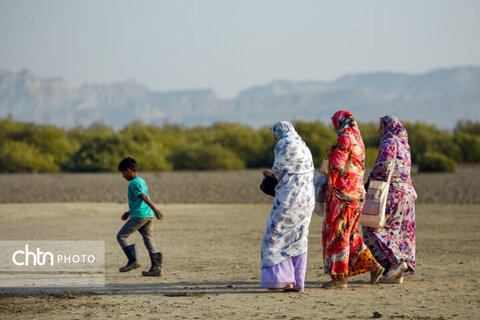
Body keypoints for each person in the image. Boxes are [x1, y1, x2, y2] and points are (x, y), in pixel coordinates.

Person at [322, 110, 384, 289]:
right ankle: (373, 266)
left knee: (339, 233)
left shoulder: (345, 139)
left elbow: (336, 164)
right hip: (356, 194)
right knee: (350, 234)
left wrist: (331, 151)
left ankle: (340, 278)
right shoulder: (358, 138)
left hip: (344, 195)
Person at [260, 121, 315, 292]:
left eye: (275, 135)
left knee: (274, 236)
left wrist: (270, 175)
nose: (275, 138)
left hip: (288, 200)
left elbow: (281, 170)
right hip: (306, 200)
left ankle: (281, 281)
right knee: (298, 239)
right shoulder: (303, 146)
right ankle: (296, 281)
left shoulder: (283, 144)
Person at [362, 115, 416, 283]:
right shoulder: (404, 145)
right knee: (395, 231)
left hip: (391, 193)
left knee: (372, 228)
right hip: (406, 194)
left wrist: (368, 185)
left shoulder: (389, 143)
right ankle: (395, 272)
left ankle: (397, 261)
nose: (379, 131)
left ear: (386, 127)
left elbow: (383, 168)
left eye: (380, 127)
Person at [117, 157, 164, 276]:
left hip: (140, 216)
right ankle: (156, 268)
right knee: (148, 239)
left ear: (128, 171)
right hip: (147, 215)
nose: (123, 176)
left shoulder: (133, 183)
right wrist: (129, 212)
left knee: (121, 236)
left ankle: (133, 261)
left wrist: (156, 209)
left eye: (123, 173)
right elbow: (140, 200)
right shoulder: (141, 181)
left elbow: (143, 197)